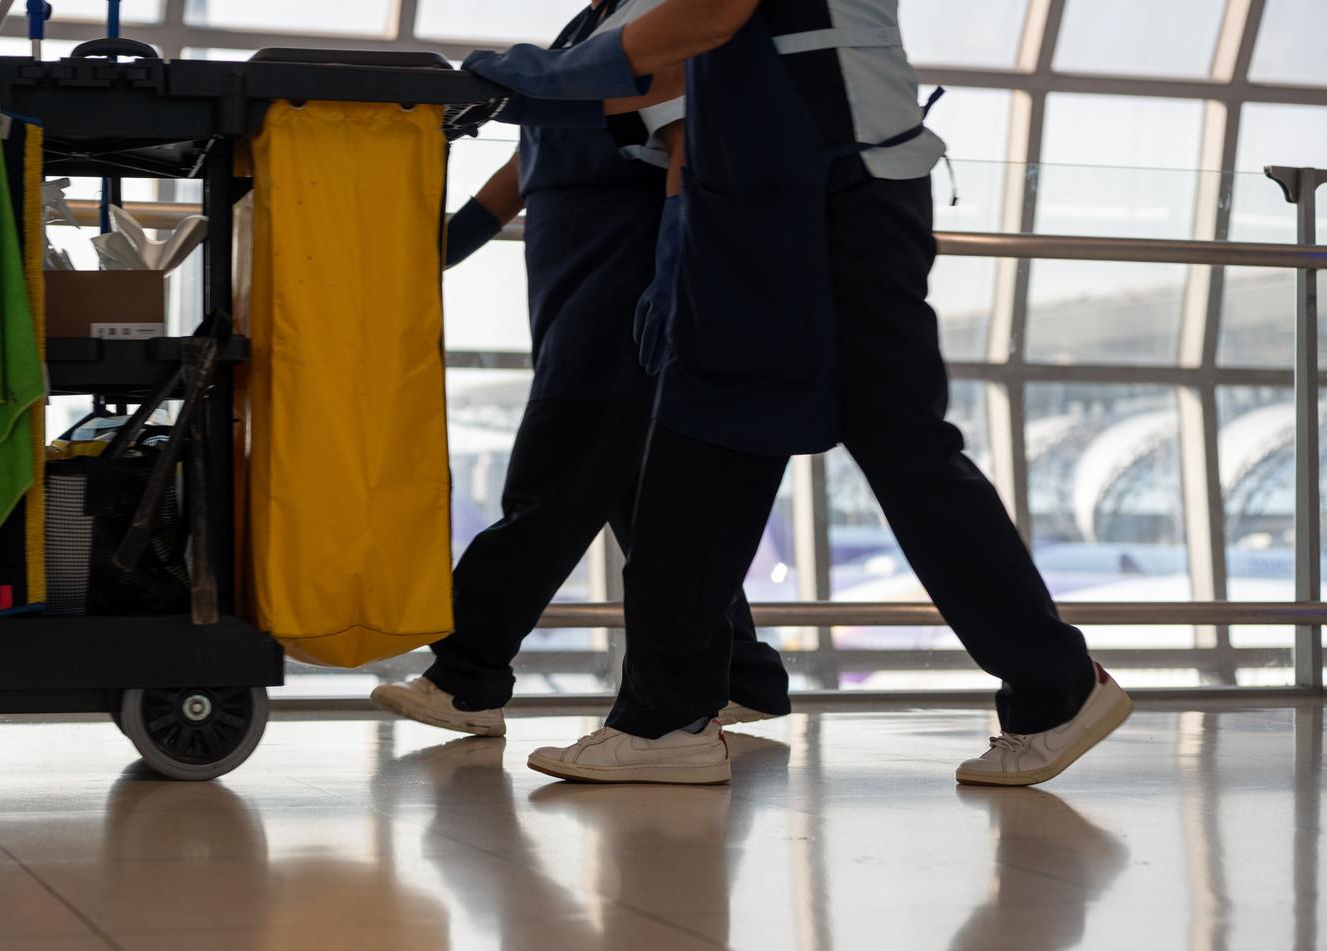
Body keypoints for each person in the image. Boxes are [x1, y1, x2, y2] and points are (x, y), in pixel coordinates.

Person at [463, 0, 1132, 787]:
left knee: (884, 446)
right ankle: (665, 716)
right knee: (708, 443)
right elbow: (674, 66)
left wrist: (524, 79)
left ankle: (1055, 684)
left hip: (837, 191)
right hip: (766, 200)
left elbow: (709, 18)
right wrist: (526, 97)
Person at [372, 0, 791, 741]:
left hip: (618, 281)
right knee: (635, 495)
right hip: (570, 280)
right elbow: (536, 144)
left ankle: (468, 675)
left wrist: (672, 261)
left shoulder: (663, 18)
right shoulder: (589, 23)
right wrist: (451, 240)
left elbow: (685, 136)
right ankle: (742, 674)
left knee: (553, 481)